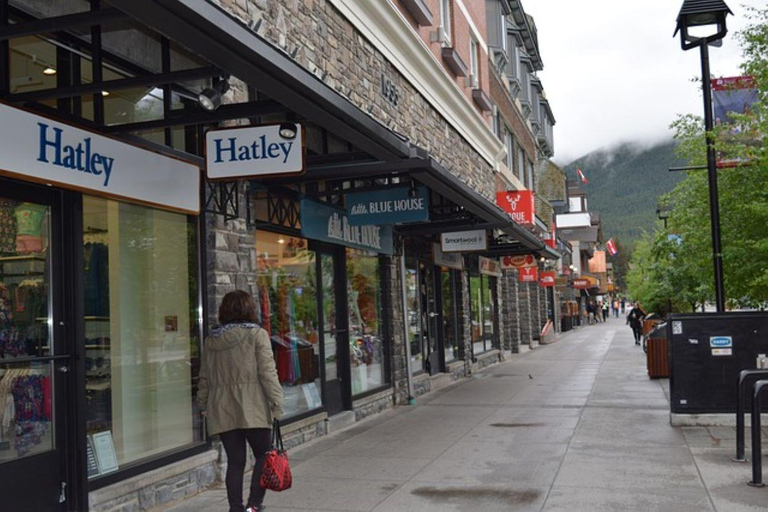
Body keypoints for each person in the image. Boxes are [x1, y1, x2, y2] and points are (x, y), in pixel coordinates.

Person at [198, 290, 284, 512]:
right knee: (263, 457)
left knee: (235, 463)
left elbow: (205, 377)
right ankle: (253, 506)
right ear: (250, 309)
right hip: (253, 406)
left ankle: (235, 508)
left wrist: (203, 404)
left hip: (222, 407)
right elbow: (268, 372)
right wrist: (276, 401)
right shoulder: (257, 335)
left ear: (224, 311)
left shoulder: (211, 340)